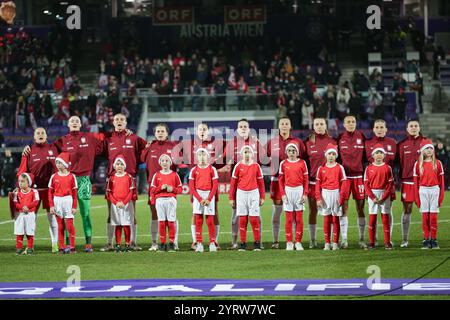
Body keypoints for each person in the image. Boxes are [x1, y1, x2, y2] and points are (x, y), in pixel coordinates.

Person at [100, 113, 147, 252]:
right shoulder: (108, 139)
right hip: (112, 179)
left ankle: (132, 242)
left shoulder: (134, 138)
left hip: (130, 178)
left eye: (122, 119)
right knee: (111, 213)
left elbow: (148, 147)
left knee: (131, 213)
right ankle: (110, 243)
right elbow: (97, 152)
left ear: (126, 123)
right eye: (116, 119)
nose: (119, 121)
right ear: (113, 123)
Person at [173, 122, 223, 250]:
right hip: (196, 184)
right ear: (196, 132)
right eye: (200, 129)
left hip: (211, 184)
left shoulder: (215, 144)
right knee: (195, 213)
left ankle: (214, 241)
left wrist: (221, 167)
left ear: (208, 131)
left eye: (204, 129)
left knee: (214, 212)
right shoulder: (190, 144)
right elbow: (174, 149)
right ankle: (196, 241)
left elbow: (225, 157)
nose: (202, 131)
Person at [220, 118, 264, 249]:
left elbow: (264, 158)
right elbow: (226, 163)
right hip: (239, 186)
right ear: (237, 129)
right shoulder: (231, 144)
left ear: (249, 129)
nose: (243, 128)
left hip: (254, 187)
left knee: (257, 216)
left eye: (245, 126)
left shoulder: (255, 142)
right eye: (241, 126)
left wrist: (259, 144)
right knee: (236, 216)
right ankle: (235, 242)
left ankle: (258, 241)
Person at [265, 117, 305, 249]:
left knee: (295, 213)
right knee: (277, 212)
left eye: (286, 123)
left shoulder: (297, 142)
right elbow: (263, 158)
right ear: (278, 126)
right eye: (282, 124)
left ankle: (295, 240)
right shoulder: (271, 142)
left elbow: (303, 160)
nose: (284, 126)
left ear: (290, 126)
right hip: (278, 181)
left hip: (294, 184)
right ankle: (276, 241)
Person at [17, 127, 58, 252]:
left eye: (43, 133)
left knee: (52, 217)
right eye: (38, 133)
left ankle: (55, 244)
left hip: (49, 190)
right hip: (33, 191)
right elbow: (22, 172)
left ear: (46, 135)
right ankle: (30, 246)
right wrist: (20, 187)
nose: (40, 135)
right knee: (30, 217)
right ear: (34, 137)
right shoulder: (29, 151)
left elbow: (60, 167)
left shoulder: (53, 149)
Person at [141, 123, 179, 251]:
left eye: (163, 131)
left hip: (169, 189)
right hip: (154, 188)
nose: (160, 133)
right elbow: (142, 158)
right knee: (154, 214)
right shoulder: (151, 146)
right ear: (155, 133)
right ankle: (154, 242)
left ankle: (174, 242)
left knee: (171, 215)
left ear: (167, 133)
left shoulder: (173, 146)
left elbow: (178, 164)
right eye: (158, 131)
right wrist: (146, 147)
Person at [304, 118, 337, 248]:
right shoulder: (308, 143)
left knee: (332, 212)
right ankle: (313, 240)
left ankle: (332, 241)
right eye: (316, 124)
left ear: (325, 125)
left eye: (321, 124)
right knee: (313, 211)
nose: (319, 126)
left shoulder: (332, 141)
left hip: (329, 185)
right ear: (313, 126)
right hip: (312, 183)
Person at [337, 115, 367, 249]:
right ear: (344, 124)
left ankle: (361, 239)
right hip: (344, 178)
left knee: (360, 208)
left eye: (353, 122)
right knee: (344, 208)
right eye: (348, 122)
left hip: (359, 177)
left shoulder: (362, 136)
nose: (351, 124)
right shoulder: (339, 138)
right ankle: (344, 239)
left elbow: (367, 156)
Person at [365, 119, 397, 239]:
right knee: (373, 214)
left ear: (386, 129)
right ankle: (374, 239)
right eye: (377, 127)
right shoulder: (367, 143)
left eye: (381, 127)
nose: (379, 129)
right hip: (373, 183)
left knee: (388, 212)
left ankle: (388, 239)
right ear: (373, 129)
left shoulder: (392, 143)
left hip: (388, 184)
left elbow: (397, 162)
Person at [397, 119, 427, 248]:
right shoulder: (402, 144)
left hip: (424, 182)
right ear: (407, 129)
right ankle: (405, 240)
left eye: (416, 126)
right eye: (411, 126)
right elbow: (397, 163)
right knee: (407, 210)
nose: (413, 128)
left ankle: (428, 238)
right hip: (408, 182)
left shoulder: (426, 143)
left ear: (419, 128)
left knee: (425, 210)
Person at [229, 146, 265, 251]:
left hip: (254, 193)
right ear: (241, 154)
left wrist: (262, 196)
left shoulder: (256, 166)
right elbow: (233, 184)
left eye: (249, 152)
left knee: (254, 219)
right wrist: (231, 198)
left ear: (252, 154)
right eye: (245, 152)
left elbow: (261, 183)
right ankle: (243, 243)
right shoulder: (238, 166)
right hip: (241, 194)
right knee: (243, 219)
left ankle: (257, 243)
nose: (247, 154)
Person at [413, 140, 445, 249]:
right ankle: (426, 239)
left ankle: (434, 239)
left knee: (433, 218)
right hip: (423, 191)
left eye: (431, 148)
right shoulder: (418, 164)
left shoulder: (438, 163)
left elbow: (442, 183)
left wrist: (440, 198)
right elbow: (416, 183)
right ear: (422, 150)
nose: (429, 150)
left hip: (435, 190)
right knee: (425, 217)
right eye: (427, 148)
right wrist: (417, 199)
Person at [316, 144, 347, 251]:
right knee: (326, 219)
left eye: (333, 154)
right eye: (329, 153)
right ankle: (327, 243)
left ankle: (335, 243)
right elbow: (317, 185)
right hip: (325, 195)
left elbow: (344, 183)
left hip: (336, 194)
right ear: (326, 155)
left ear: (336, 156)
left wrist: (341, 197)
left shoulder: (340, 167)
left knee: (335, 219)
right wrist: (318, 198)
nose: (331, 156)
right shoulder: (321, 169)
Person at [279, 143, 309, 251]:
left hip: (299, 191)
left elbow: (306, 180)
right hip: (288, 192)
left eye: (293, 151)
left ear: (297, 152)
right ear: (286, 152)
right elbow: (280, 181)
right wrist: (283, 194)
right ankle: (289, 242)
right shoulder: (283, 163)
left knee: (299, 219)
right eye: (289, 151)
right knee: (289, 219)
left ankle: (298, 242)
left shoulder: (302, 163)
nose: (291, 153)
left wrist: (305, 194)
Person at [364, 145, 395, 250]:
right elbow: (366, 185)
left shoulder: (387, 168)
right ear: (373, 155)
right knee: (372, 219)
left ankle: (387, 242)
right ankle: (372, 242)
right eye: (376, 153)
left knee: (385, 219)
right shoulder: (369, 168)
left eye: (381, 153)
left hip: (384, 194)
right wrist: (372, 197)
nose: (379, 155)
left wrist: (384, 197)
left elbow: (390, 184)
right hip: (373, 194)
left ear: (384, 155)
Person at [188, 148, 219, 253]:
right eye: (200, 155)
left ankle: (212, 242)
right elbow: (191, 187)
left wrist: (209, 199)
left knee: (210, 220)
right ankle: (199, 243)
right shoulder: (194, 170)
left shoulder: (212, 169)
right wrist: (199, 199)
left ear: (208, 157)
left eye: (204, 155)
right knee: (198, 220)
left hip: (209, 194)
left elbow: (215, 186)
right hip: (198, 195)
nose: (202, 158)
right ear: (197, 157)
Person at [150, 154, 182, 252]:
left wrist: (173, 189)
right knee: (162, 222)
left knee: (171, 222)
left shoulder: (174, 174)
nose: (165, 163)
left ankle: (172, 243)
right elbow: (152, 190)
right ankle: (162, 244)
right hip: (159, 201)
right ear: (160, 163)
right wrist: (160, 188)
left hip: (171, 200)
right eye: (163, 161)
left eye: (167, 161)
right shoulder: (157, 175)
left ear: (170, 163)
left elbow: (180, 189)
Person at [48, 152, 78, 254]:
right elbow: (50, 193)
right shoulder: (53, 177)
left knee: (70, 225)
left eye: (60, 163)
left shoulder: (72, 176)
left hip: (68, 200)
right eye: (56, 163)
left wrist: (74, 206)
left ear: (65, 164)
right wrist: (51, 206)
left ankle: (72, 246)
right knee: (60, 225)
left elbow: (74, 193)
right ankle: (61, 247)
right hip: (57, 201)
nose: (58, 165)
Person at [107, 155, 135, 252]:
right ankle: (118, 244)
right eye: (117, 164)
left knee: (126, 224)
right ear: (114, 165)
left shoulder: (129, 177)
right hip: (115, 205)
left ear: (125, 166)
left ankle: (128, 244)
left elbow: (131, 192)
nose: (119, 166)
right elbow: (109, 193)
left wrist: (124, 202)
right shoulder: (112, 178)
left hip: (126, 205)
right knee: (117, 224)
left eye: (121, 164)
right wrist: (115, 202)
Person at [12, 173, 40, 255]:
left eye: (23, 181)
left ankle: (30, 248)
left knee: (29, 232)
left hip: (30, 214)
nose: (20, 183)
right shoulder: (17, 192)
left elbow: (36, 201)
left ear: (28, 182)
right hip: (20, 215)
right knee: (19, 232)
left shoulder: (34, 191)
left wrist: (27, 207)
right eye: (19, 181)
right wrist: (22, 207)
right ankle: (19, 248)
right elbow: (15, 202)